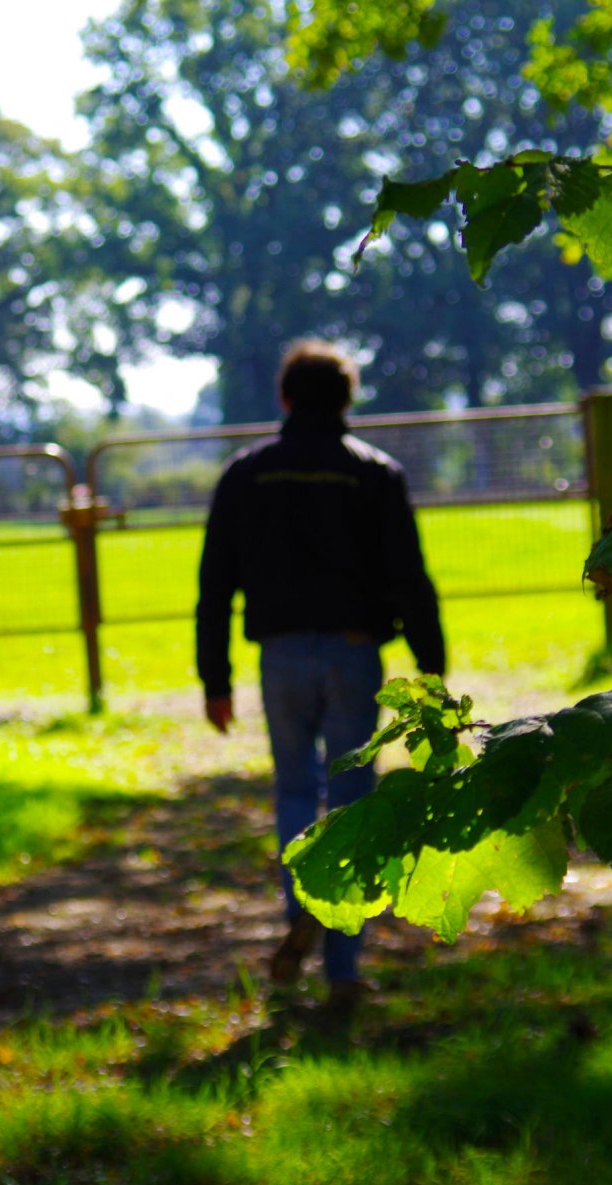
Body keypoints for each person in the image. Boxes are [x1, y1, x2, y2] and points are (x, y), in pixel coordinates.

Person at [195, 339, 446, 1015]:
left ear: (284, 399)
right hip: (355, 652)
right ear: (346, 399)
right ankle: (342, 963)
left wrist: (214, 679)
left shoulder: (245, 474)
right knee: (354, 801)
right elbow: (409, 574)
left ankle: (299, 910)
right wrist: (431, 661)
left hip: (279, 655)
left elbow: (214, 584)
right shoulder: (375, 473)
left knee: (295, 791)